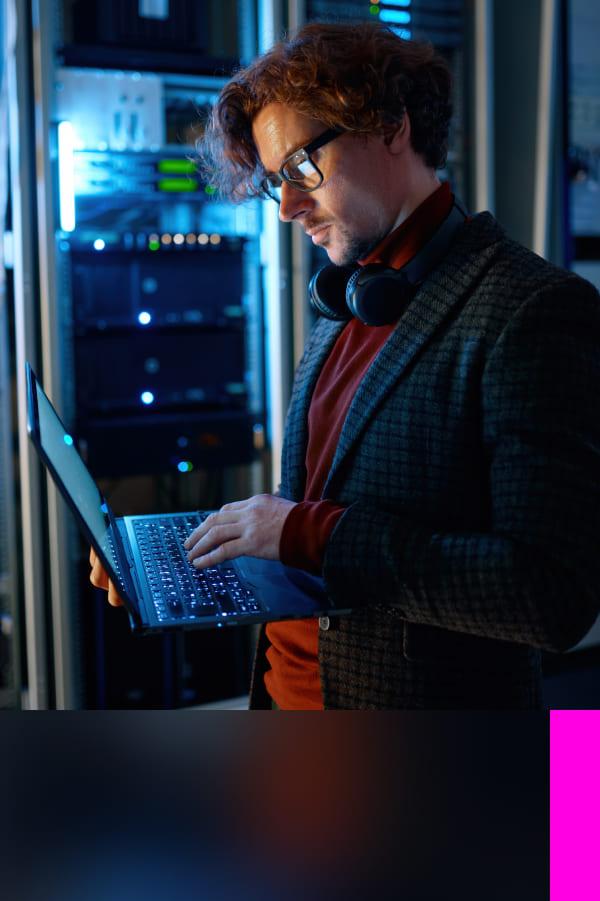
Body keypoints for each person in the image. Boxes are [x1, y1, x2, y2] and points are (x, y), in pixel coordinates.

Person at [90, 21, 600, 709]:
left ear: (390, 126)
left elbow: (551, 598)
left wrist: (311, 533)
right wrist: (194, 555)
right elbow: (308, 539)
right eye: (278, 184)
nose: (289, 210)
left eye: (302, 167)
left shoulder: (533, 310)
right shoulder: (350, 299)